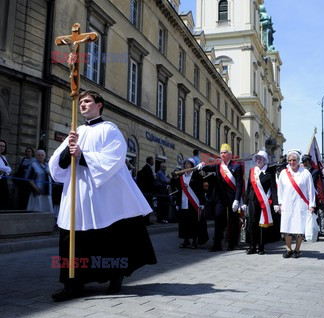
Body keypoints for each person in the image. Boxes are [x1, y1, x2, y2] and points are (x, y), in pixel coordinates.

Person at [48, 90, 157, 301]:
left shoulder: (110, 129)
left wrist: (82, 154)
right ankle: (73, 284)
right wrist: (67, 151)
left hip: (101, 195)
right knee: (73, 239)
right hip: (75, 194)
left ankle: (115, 276)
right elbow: (56, 166)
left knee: (108, 240)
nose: (82, 105)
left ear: (99, 105)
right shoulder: (76, 131)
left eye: (87, 101)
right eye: (81, 102)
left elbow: (113, 159)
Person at [196, 143, 244, 251]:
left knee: (232, 221)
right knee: (218, 220)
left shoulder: (236, 166)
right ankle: (217, 244)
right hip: (220, 198)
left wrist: (237, 199)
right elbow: (208, 167)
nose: (222, 154)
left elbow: (240, 184)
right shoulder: (218, 165)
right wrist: (202, 164)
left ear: (230, 155)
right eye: (221, 153)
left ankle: (232, 243)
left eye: (225, 152)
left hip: (232, 198)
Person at [277, 150, 316, 258]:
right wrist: (280, 203)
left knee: (299, 228)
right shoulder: (284, 173)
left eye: (294, 160)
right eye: (289, 160)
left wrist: (311, 205)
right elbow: (280, 190)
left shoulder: (305, 173)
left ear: (298, 161)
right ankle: (288, 249)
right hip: (287, 204)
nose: (291, 162)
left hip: (301, 204)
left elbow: (310, 190)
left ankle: (297, 249)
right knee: (287, 227)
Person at [243, 150, 278, 255]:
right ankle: (252, 246)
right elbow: (248, 187)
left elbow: (273, 188)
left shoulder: (270, 172)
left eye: (260, 158)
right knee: (252, 224)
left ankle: (261, 247)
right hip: (253, 201)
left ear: (265, 160)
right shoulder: (252, 171)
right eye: (257, 158)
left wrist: (276, 203)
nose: (258, 160)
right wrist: (245, 202)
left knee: (262, 224)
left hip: (265, 201)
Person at [171, 158, 207, 249]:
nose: (186, 165)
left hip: (193, 203)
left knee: (194, 223)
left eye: (188, 164)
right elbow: (177, 189)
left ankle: (194, 241)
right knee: (184, 223)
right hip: (183, 203)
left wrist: (202, 203)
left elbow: (200, 191)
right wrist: (177, 203)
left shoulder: (197, 176)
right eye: (185, 164)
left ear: (192, 166)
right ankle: (185, 240)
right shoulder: (181, 177)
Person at [302, 154, 324, 236]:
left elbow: (312, 181)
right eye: (303, 161)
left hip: (312, 196)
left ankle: (315, 233)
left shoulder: (314, 171)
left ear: (309, 162)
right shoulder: (301, 171)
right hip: (303, 196)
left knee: (314, 215)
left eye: (305, 161)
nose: (304, 163)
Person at [137, 156, 156, 225]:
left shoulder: (146, 168)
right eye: (153, 160)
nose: (153, 162)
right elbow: (150, 180)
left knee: (147, 205)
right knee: (147, 205)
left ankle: (147, 220)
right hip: (147, 191)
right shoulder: (147, 168)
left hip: (146, 191)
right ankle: (146, 221)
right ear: (150, 161)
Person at [0, 139, 11, 210]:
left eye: (3, 146)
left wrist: (5, 170)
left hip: (3, 180)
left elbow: (9, 169)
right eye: (0, 146)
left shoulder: (3, 157)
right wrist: (6, 169)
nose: (2, 148)